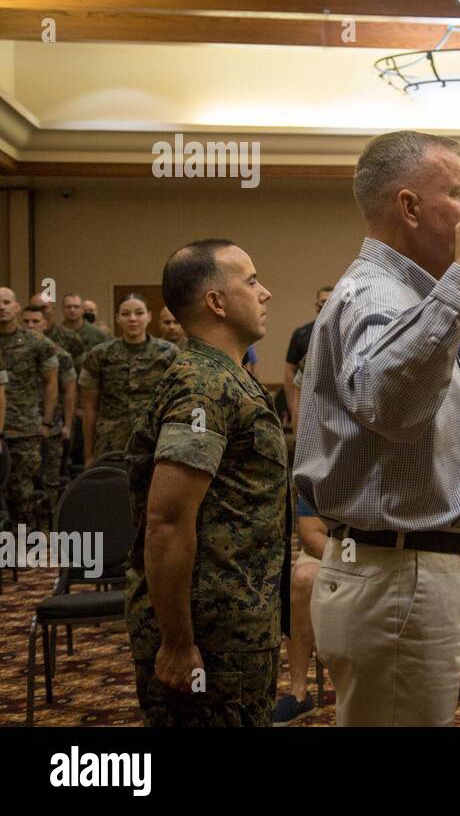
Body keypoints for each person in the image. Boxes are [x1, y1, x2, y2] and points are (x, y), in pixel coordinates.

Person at [294, 131, 460, 727]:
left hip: (404, 572)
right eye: (457, 193)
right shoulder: (379, 295)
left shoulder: (403, 293)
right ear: (409, 208)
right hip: (401, 575)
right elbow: (391, 405)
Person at [125, 238, 286, 727]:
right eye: (252, 281)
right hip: (211, 639)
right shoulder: (203, 386)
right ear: (216, 302)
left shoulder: (226, 377)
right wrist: (176, 643)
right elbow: (168, 523)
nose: (266, 293)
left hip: (237, 627)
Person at [79, 295, 179, 461]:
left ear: (149, 316)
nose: (132, 319)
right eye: (125, 314)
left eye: (139, 313)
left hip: (153, 442)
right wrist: (88, 454)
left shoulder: (169, 353)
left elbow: (176, 405)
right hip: (110, 443)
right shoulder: (100, 354)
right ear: (117, 318)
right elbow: (90, 407)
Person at [0, 287, 59, 528]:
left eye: (6, 302)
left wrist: (46, 422)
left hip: (24, 428)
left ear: (16, 307)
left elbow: (51, 384)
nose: (1, 307)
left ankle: (22, 549)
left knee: (21, 492)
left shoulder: (38, 343)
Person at [274, 494, 327, 725]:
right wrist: (354, 560)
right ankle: (299, 693)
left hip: (377, 553)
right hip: (330, 552)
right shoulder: (323, 464)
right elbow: (311, 534)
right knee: (302, 578)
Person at [20, 305, 76, 492]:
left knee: (49, 481)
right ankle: (24, 523)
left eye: (35, 321)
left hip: (52, 426)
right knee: (22, 483)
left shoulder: (60, 355)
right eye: (26, 321)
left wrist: (67, 425)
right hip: (20, 428)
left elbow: (69, 391)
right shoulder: (14, 353)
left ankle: (48, 521)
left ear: (45, 324)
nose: (30, 326)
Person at [283, 286, 331, 429]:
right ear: (316, 305)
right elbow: (289, 372)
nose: (325, 306)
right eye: (322, 302)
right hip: (307, 406)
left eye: (330, 301)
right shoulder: (302, 334)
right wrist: (294, 409)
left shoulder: (344, 331)